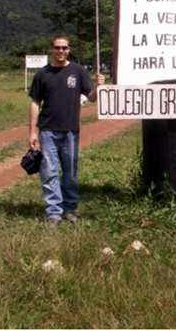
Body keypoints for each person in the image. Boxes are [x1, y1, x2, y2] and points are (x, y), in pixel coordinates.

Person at [28, 34, 105, 225]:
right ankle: (53, 213)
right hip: (47, 131)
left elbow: (92, 97)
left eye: (65, 48)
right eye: (57, 47)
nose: (61, 51)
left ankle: (69, 209)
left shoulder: (78, 71)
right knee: (49, 172)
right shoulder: (42, 74)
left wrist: (98, 86)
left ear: (69, 50)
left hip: (71, 130)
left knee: (70, 172)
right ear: (52, 49)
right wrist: (32, 132)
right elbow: (35, 103)